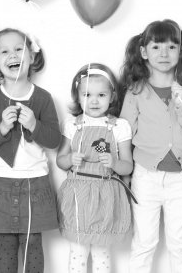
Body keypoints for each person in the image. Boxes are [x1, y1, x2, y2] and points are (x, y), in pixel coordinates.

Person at [120, 19, 182, 273]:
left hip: (180, 179)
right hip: (145, 176)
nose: (164, 54)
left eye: (171, 47)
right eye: (157, 47)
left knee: (180, 243)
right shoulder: (136, 91)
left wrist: (181, 104)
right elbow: (124, 133)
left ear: (181, 51)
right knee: (144, 242)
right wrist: (124, 173)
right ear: (144, 52)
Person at [0, 28, 61, 273]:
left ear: (32, 57)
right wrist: (2, 127)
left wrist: (35, 125)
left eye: (19, 49)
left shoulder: (43, 98)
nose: (12, 55)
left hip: (35, 184)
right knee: (6, 243)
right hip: (1, 183)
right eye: (4, 51)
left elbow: (54, 140)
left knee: (33, 241)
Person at [56, 63, 133, 273]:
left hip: (105, 195)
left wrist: (115, 163)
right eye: (87, 94)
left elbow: (128, 166)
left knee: (101, 252)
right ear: (78, 96)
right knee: (78, 251)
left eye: (101, 94)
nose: (94, 100)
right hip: (77, 195)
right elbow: (60, 161)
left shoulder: (119, 126)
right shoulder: (72, 124)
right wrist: (70, 158)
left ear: (112, 96)